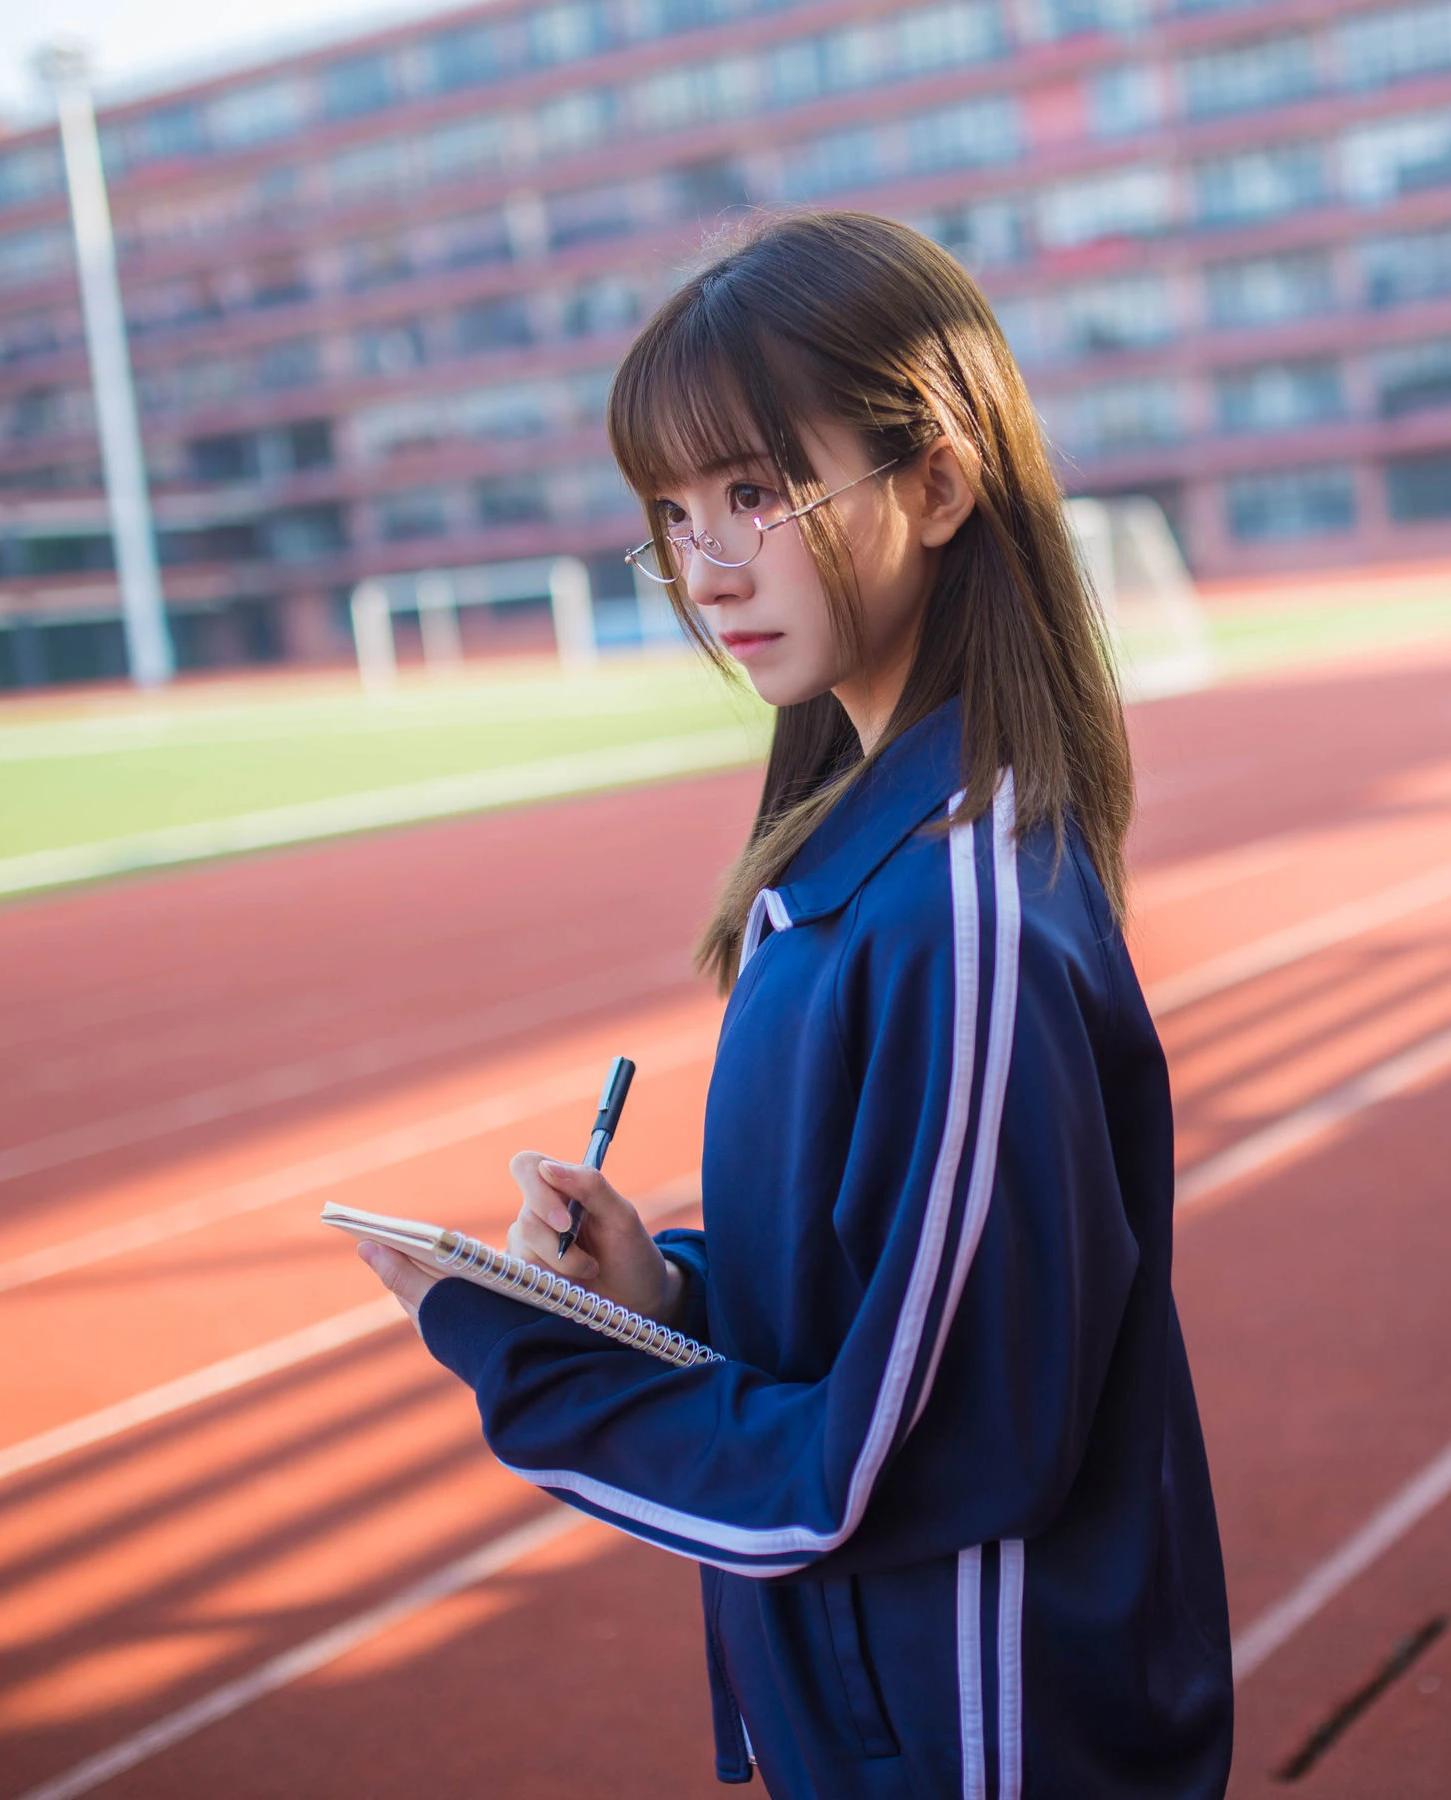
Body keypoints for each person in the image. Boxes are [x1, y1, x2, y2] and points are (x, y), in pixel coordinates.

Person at [354, 210, 1234, 1798]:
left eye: (758, 491)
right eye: (673, 512)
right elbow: (875, 1300)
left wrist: (529, 1362)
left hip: (983, 1739)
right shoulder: (846, 856)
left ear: (942, 482)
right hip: (895, 1715)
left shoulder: (963, 919)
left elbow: (888, 1465)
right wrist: (668, 1297)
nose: (706, 564)